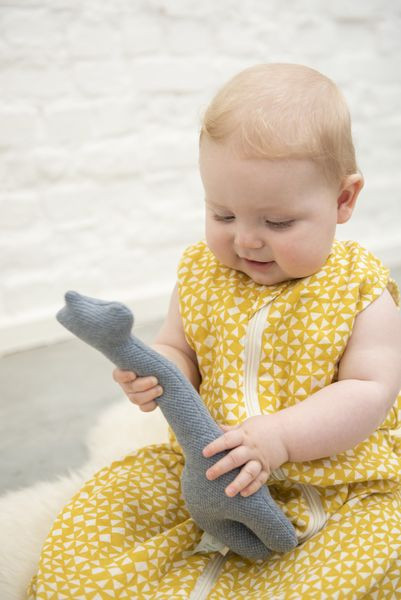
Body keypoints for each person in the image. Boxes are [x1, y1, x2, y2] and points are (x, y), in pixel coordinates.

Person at [29, 63, 401, 598]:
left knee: (371, 555)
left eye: (277, 222)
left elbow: (369, 390)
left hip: (332, 482)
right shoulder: (202, 275)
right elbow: (178, 348)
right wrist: (157, 371)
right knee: (99, 516)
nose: (246, 240)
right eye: (223, 215)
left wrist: (279, 438)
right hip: (206, 469)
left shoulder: (358, 286)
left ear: (343, 200)